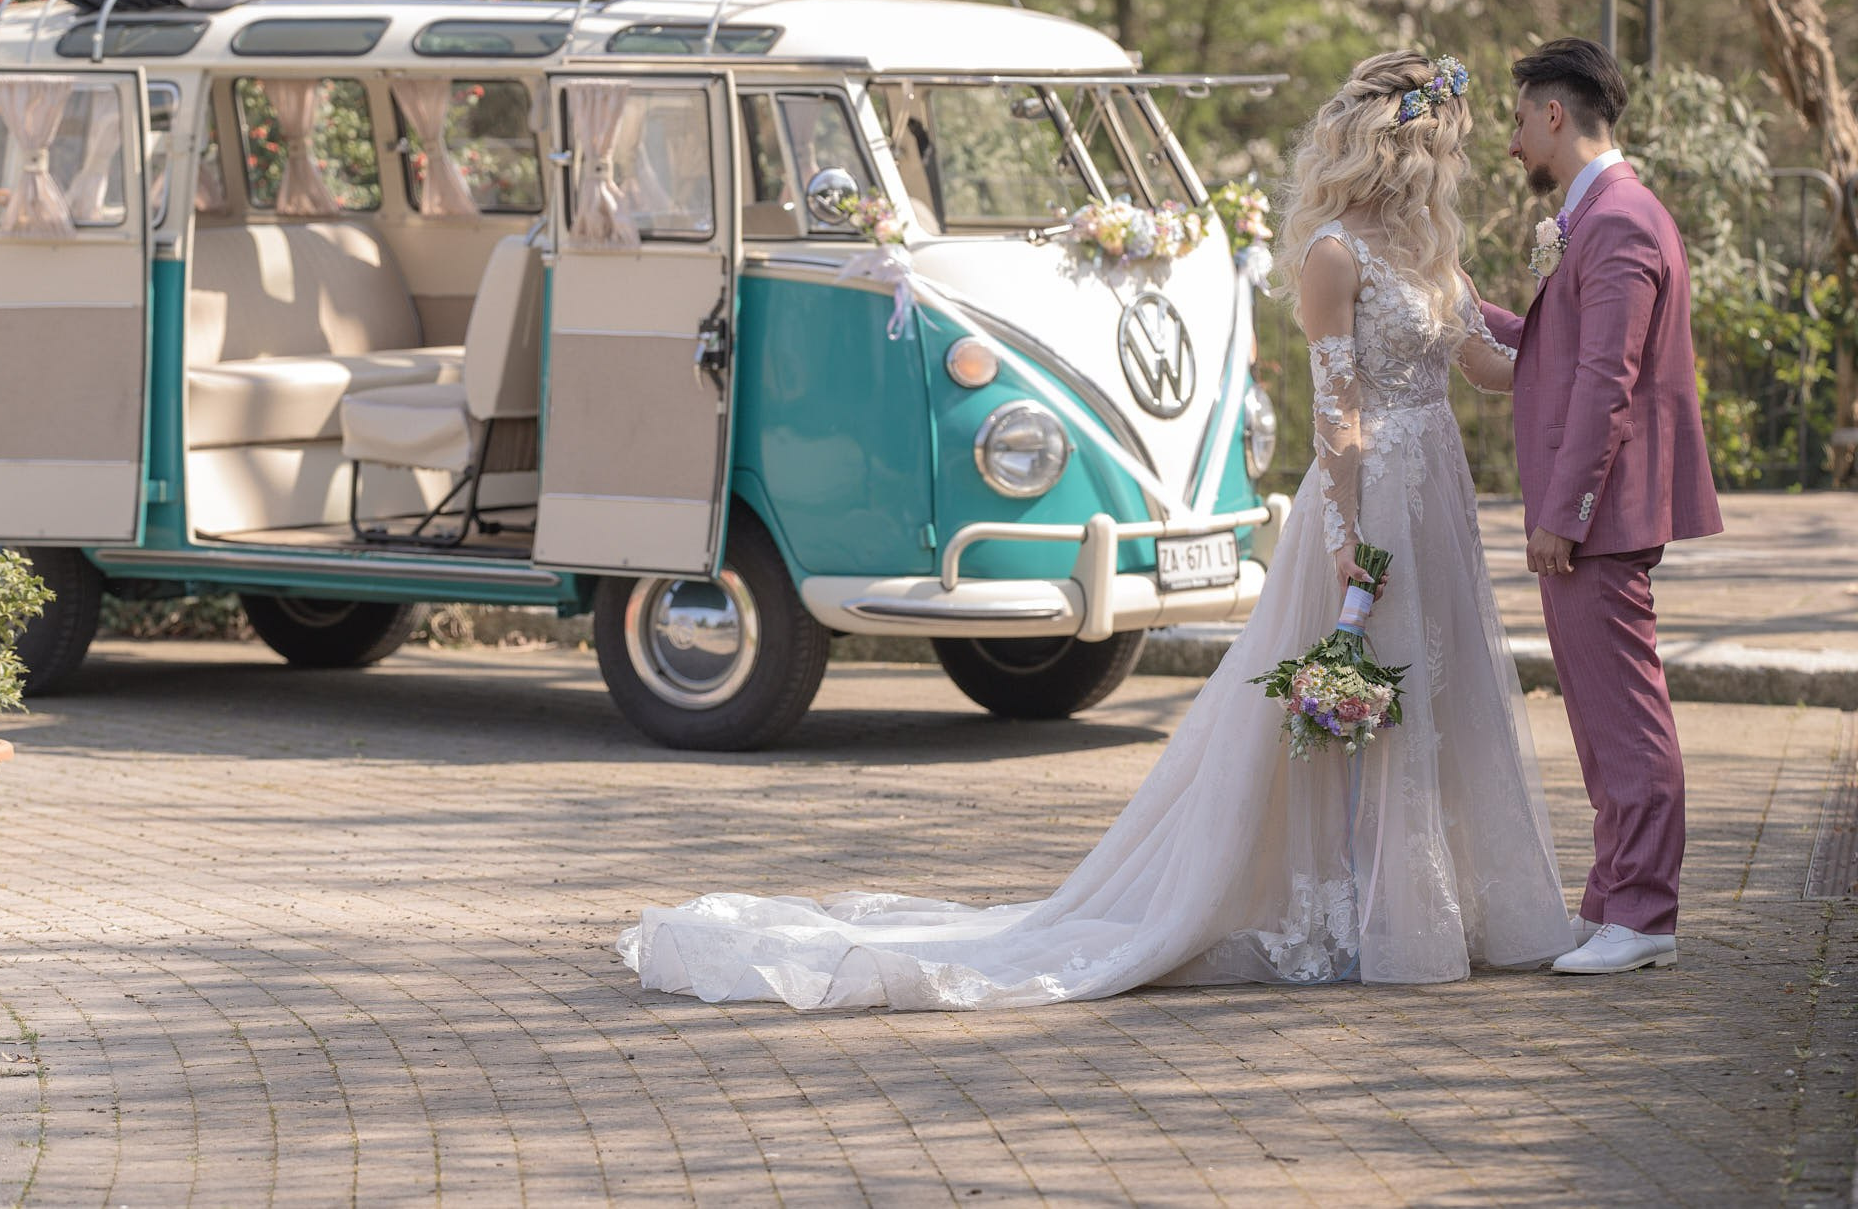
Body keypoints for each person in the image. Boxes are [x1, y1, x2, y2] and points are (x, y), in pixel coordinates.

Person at [617, 51, 1574, 1010]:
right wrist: (1345, 539)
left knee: (1441, 693)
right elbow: (1339, 415)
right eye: (1442, 144)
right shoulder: (1335, 254)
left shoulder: (1429, 253)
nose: (1453, 163)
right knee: (1363, 697)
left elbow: (1486, 366)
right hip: (1369, 506)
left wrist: (1560, 308)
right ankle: (1363, 914)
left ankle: (1427, 907)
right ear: (1405, 148)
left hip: (1436, 496)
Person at [1482, 37, 1722, 976]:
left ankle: (1646, 911)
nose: (1511, 146)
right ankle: (1614, 897)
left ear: (1554, 114)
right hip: (1589, 510)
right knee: (1594, 709)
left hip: (1602, 513)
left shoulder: (1619, 221)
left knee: (1624, 711)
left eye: (1516, 121)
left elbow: (1605, 381)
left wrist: (1564, 513)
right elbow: (1556, 348)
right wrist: (1461, 307)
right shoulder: (1595, 217)